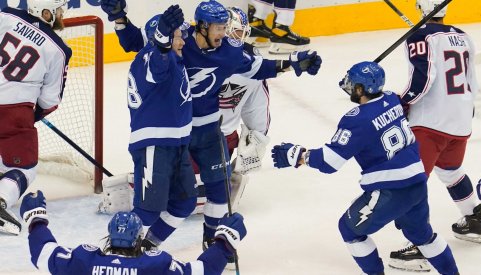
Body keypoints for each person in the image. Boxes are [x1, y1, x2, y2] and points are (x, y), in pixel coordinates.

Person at [100, 0, 321, 261]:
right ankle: (121, 250)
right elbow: (144, 43)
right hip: (167, 135)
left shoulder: (226, 52)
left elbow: (257, 67)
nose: (226, 34)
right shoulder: (173, 46)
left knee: (212, 193)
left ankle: (208, 242)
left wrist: (294, 63)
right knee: (155, 202)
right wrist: (120, 19)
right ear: (202, 27)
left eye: (227, 28)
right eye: (220, 28)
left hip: (205, 132)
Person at [271, 61, 459, 275]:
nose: (349, 86)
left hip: (391, 190)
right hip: (417, 182)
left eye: (353, 84)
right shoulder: (391, 99)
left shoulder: (357, 120)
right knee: (423, 236)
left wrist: (299, 155)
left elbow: (330, 162)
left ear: (361, 89)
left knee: (349, 229)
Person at [389, 0, 481, 271]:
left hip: (430, 122)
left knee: (413, 181)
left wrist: (401, 103)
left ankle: (421, 246)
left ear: (421, 8)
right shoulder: (464, 36)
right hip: (460, 120)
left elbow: (421, 81)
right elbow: (472, 80)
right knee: (451, 171)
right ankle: (475, 221)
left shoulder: (420, 36)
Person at [20, 190, 247, 275]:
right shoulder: (155, 265)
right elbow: (204, 270)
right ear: (139, 239)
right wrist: (225, 241)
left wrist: (36, 219)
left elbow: (43, 254)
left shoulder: (83, 261)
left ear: (109, 236)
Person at [126, 4, 199, 248]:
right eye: (177, 37)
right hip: (154, 145)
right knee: (147, 211)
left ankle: (146, 249)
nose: (182, 42)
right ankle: (121, 256)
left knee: (184, 203)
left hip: (177, 143)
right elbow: (157, 66)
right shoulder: (148, 57)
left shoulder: (176, 61)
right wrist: (162, 40)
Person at [0, 0, 71, 235]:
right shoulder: (58, 49)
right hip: (14, 112)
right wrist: (29, 116)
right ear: (46, 12)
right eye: (59, 9)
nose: (62, 14)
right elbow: (50, 101)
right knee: (24, 168)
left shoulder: (6, 16)